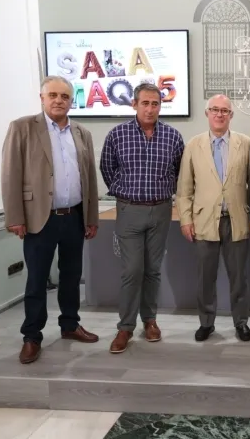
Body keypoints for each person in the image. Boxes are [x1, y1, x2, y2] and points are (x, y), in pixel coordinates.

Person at [1, 75, 100, 365]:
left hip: (74, 217)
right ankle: (32, 336)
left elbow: (89, 179)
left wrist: (91, 218)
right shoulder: (22, 128)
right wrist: (15, 216)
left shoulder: (81, 133)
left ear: (72, 101)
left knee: (71, 276)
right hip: (38, 218)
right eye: (53, 95)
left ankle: (70, 324)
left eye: (65, 96)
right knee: (37, 279)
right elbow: (10, 175)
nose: (59, 100)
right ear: (42, 98)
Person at [100, 83, 185, 354]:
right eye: (145, 103)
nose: (150, 109)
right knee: (132, 270)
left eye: (155, 104)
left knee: (153, 270)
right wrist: (124, 191)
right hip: (129, 210)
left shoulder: (173, 136)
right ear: (134, 104)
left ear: (161, 106)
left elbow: (179, 172)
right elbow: (107, 168)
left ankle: (150, 320)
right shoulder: (118, 135)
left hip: (161, 210)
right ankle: (125, 327)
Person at [175, 94, 250, 342]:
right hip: (204, 221)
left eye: (225, 111)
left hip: (236, 220)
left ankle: (241, 322)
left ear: (231, 115)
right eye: (215, 110)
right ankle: (206, 322)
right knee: (205, 278)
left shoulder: (246, 144)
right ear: (207, 113)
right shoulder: (193, 145)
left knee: (239, 278)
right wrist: (186, 220)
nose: (220, 114)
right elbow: (184, 189)